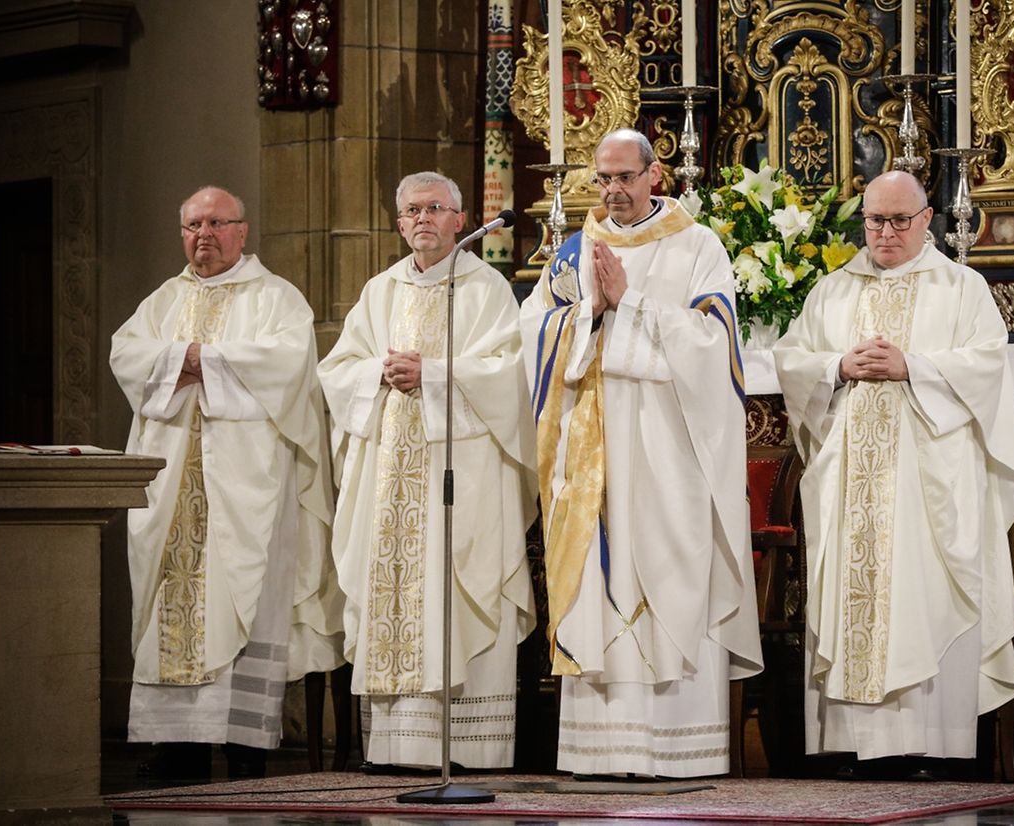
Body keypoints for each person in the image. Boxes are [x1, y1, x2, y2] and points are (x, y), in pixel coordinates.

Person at [773, 170, 1014, 778]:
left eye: (898, 221)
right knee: (854, 593)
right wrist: (837, 365)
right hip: (849, 482)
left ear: (926, 221)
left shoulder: (961, 288)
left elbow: (987, 367)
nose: (884, 233)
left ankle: (929, 745)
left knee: (922, 594)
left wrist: (913, 367)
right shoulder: (832, 292)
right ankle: (855, 745)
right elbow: (792, 359)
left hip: (929, 481)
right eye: (873, 221)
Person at [520, 129, 763, 779]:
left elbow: (718, 350)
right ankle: (602, 750)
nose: (612, 191)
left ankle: (675, 747)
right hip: (593, 455)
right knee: (598, 584)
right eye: (602, 179)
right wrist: (585, 317)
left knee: (668, 574)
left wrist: (632, 304)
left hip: (668, 452)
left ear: (657, 176)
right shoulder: (574, 252)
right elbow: (533, 332)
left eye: (624, 177)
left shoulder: (697, 246)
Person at [110, 186, 344, 781]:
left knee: (245, 598)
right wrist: (197, 357)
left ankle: (244, 746)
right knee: (171, 601)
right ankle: (177, 747)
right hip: (170, 490)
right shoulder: (163, 299)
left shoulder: (276, 299)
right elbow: (126, 355)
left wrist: (192, 361)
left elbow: (287, 367)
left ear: (243, 232)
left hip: (247, 488)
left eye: (217, 223)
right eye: (193, 224)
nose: (203, 235)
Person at [317, 171, 537, 771]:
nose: (423, 220)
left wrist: (434, 376)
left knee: (458, 576)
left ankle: (466, 748)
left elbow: (508, 373)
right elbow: (338, 370)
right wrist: (379, 374)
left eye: (435, 209)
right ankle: (394, 746)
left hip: (461, 473)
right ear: (398, 223)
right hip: (391, 474)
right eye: (412, 210)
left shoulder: (486, 288)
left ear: (460, 220)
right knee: (393, 583)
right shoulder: (379, 291)